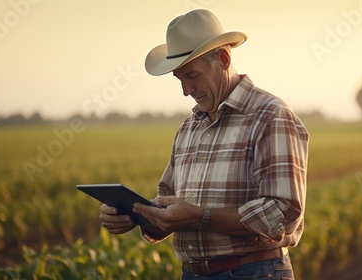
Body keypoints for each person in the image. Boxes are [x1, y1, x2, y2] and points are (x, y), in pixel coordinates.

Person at [99, 9, 309, 279]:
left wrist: (200, 216)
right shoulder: (189, 127)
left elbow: (284, 213)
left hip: (254, 271)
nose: (186, 90)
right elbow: (169, 206)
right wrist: (135, 214)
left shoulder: (270, 115)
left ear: (223, 59)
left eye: (192, 75)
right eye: (179, 79)